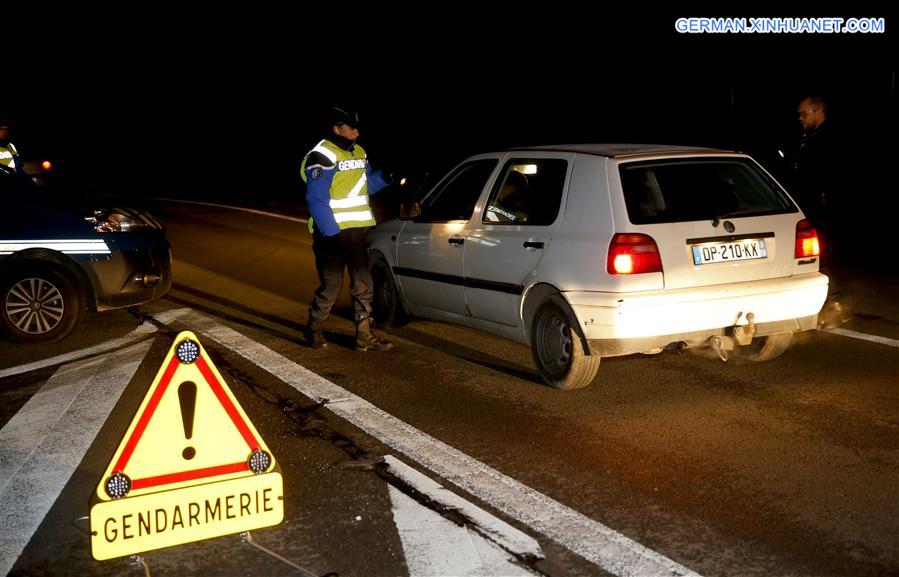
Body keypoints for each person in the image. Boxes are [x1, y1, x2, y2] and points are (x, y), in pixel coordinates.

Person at [300, 106, 394, 351]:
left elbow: (364, 187)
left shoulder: (359, 152)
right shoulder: (321, 156)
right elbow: (316, 199)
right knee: (331, 286)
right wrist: (330, 232)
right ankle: (314, 328)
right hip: (330, 234)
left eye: (357, 128)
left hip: (355, 232)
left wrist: (386, 177)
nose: (357, 132)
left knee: (363, 283)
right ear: (336, 128)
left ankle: (364, 336)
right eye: (351, 128)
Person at [790, 96, 839, 248]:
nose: (800, 118)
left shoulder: (830, 138)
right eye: (799, 114)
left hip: (822, 205)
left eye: (804, 114)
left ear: (818, 112)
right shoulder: (810, 136)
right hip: (809, 201)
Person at [0, 117, 29, 182]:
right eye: (2, 129)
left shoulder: (10, 146)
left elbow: (19, 167)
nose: (4, 131)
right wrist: (10, 172)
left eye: (6, 129)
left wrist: (29, 181)